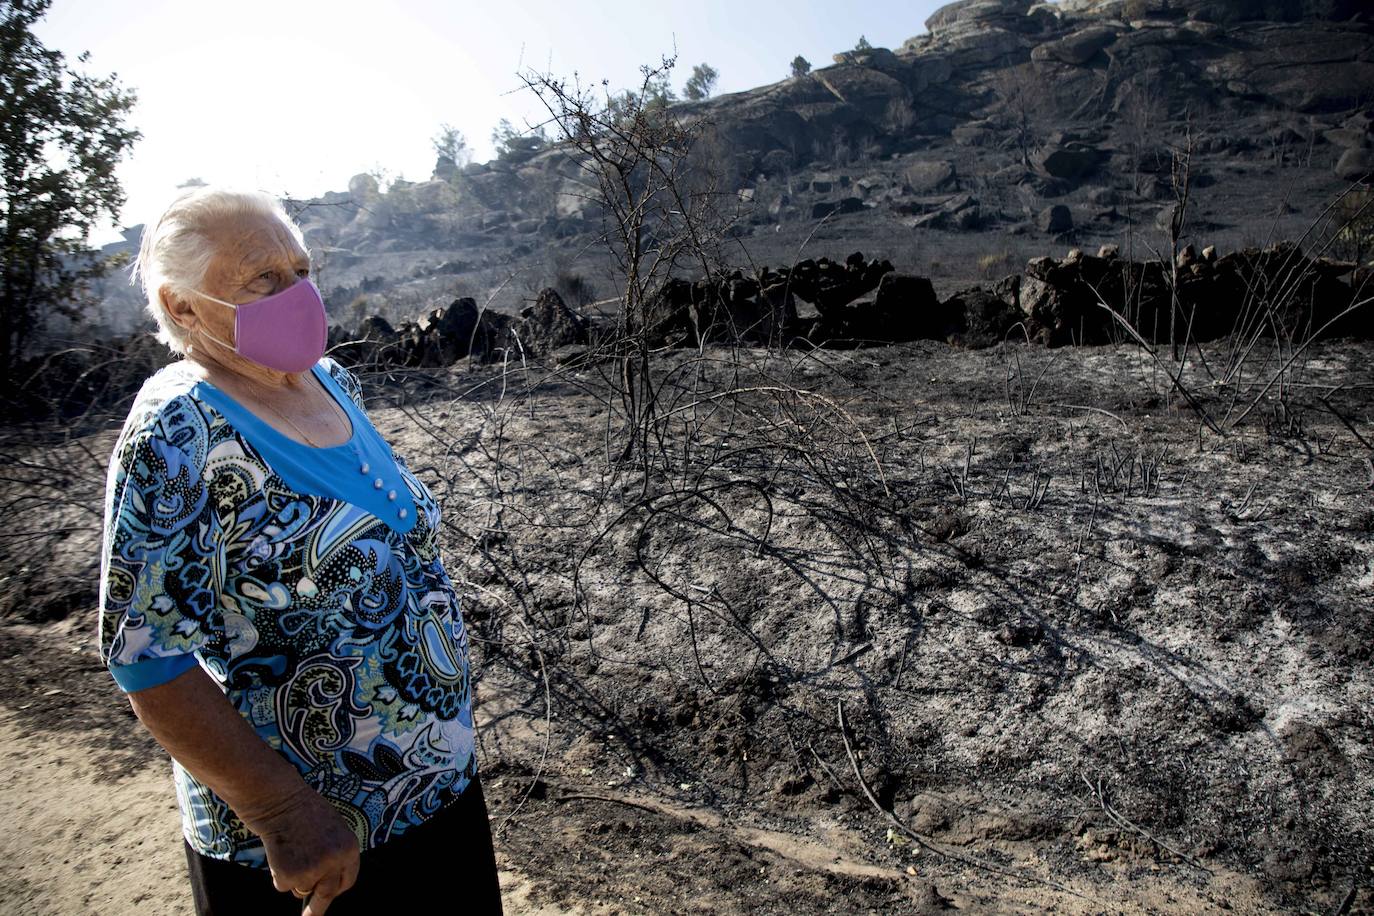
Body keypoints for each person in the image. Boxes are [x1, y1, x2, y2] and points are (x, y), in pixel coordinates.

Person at [96, 187, 503, 914]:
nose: (299, 294)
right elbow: (147, 657)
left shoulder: (330, 381)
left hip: (437, 794)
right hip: (315, 850)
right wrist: (283, 812)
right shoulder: (177, 434)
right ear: (182, 306)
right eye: (264, 278)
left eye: (302, 270)